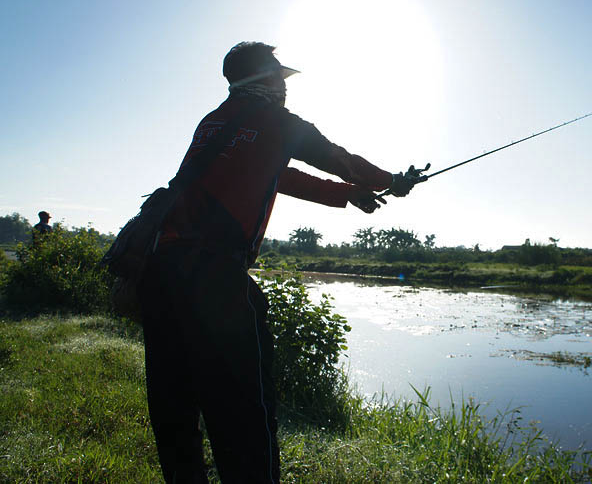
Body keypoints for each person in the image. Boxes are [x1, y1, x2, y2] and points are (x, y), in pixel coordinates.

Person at [137, 41, 416, 483]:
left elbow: (276, 175)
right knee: (246, 414)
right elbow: (340, 159)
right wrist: (393, 182)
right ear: (263, 79)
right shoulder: (278, 122)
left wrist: (346, 195)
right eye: (278, 78)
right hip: (216, 280)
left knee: (174, 409)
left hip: (160, 271)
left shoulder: (213, 122)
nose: (284, 88)